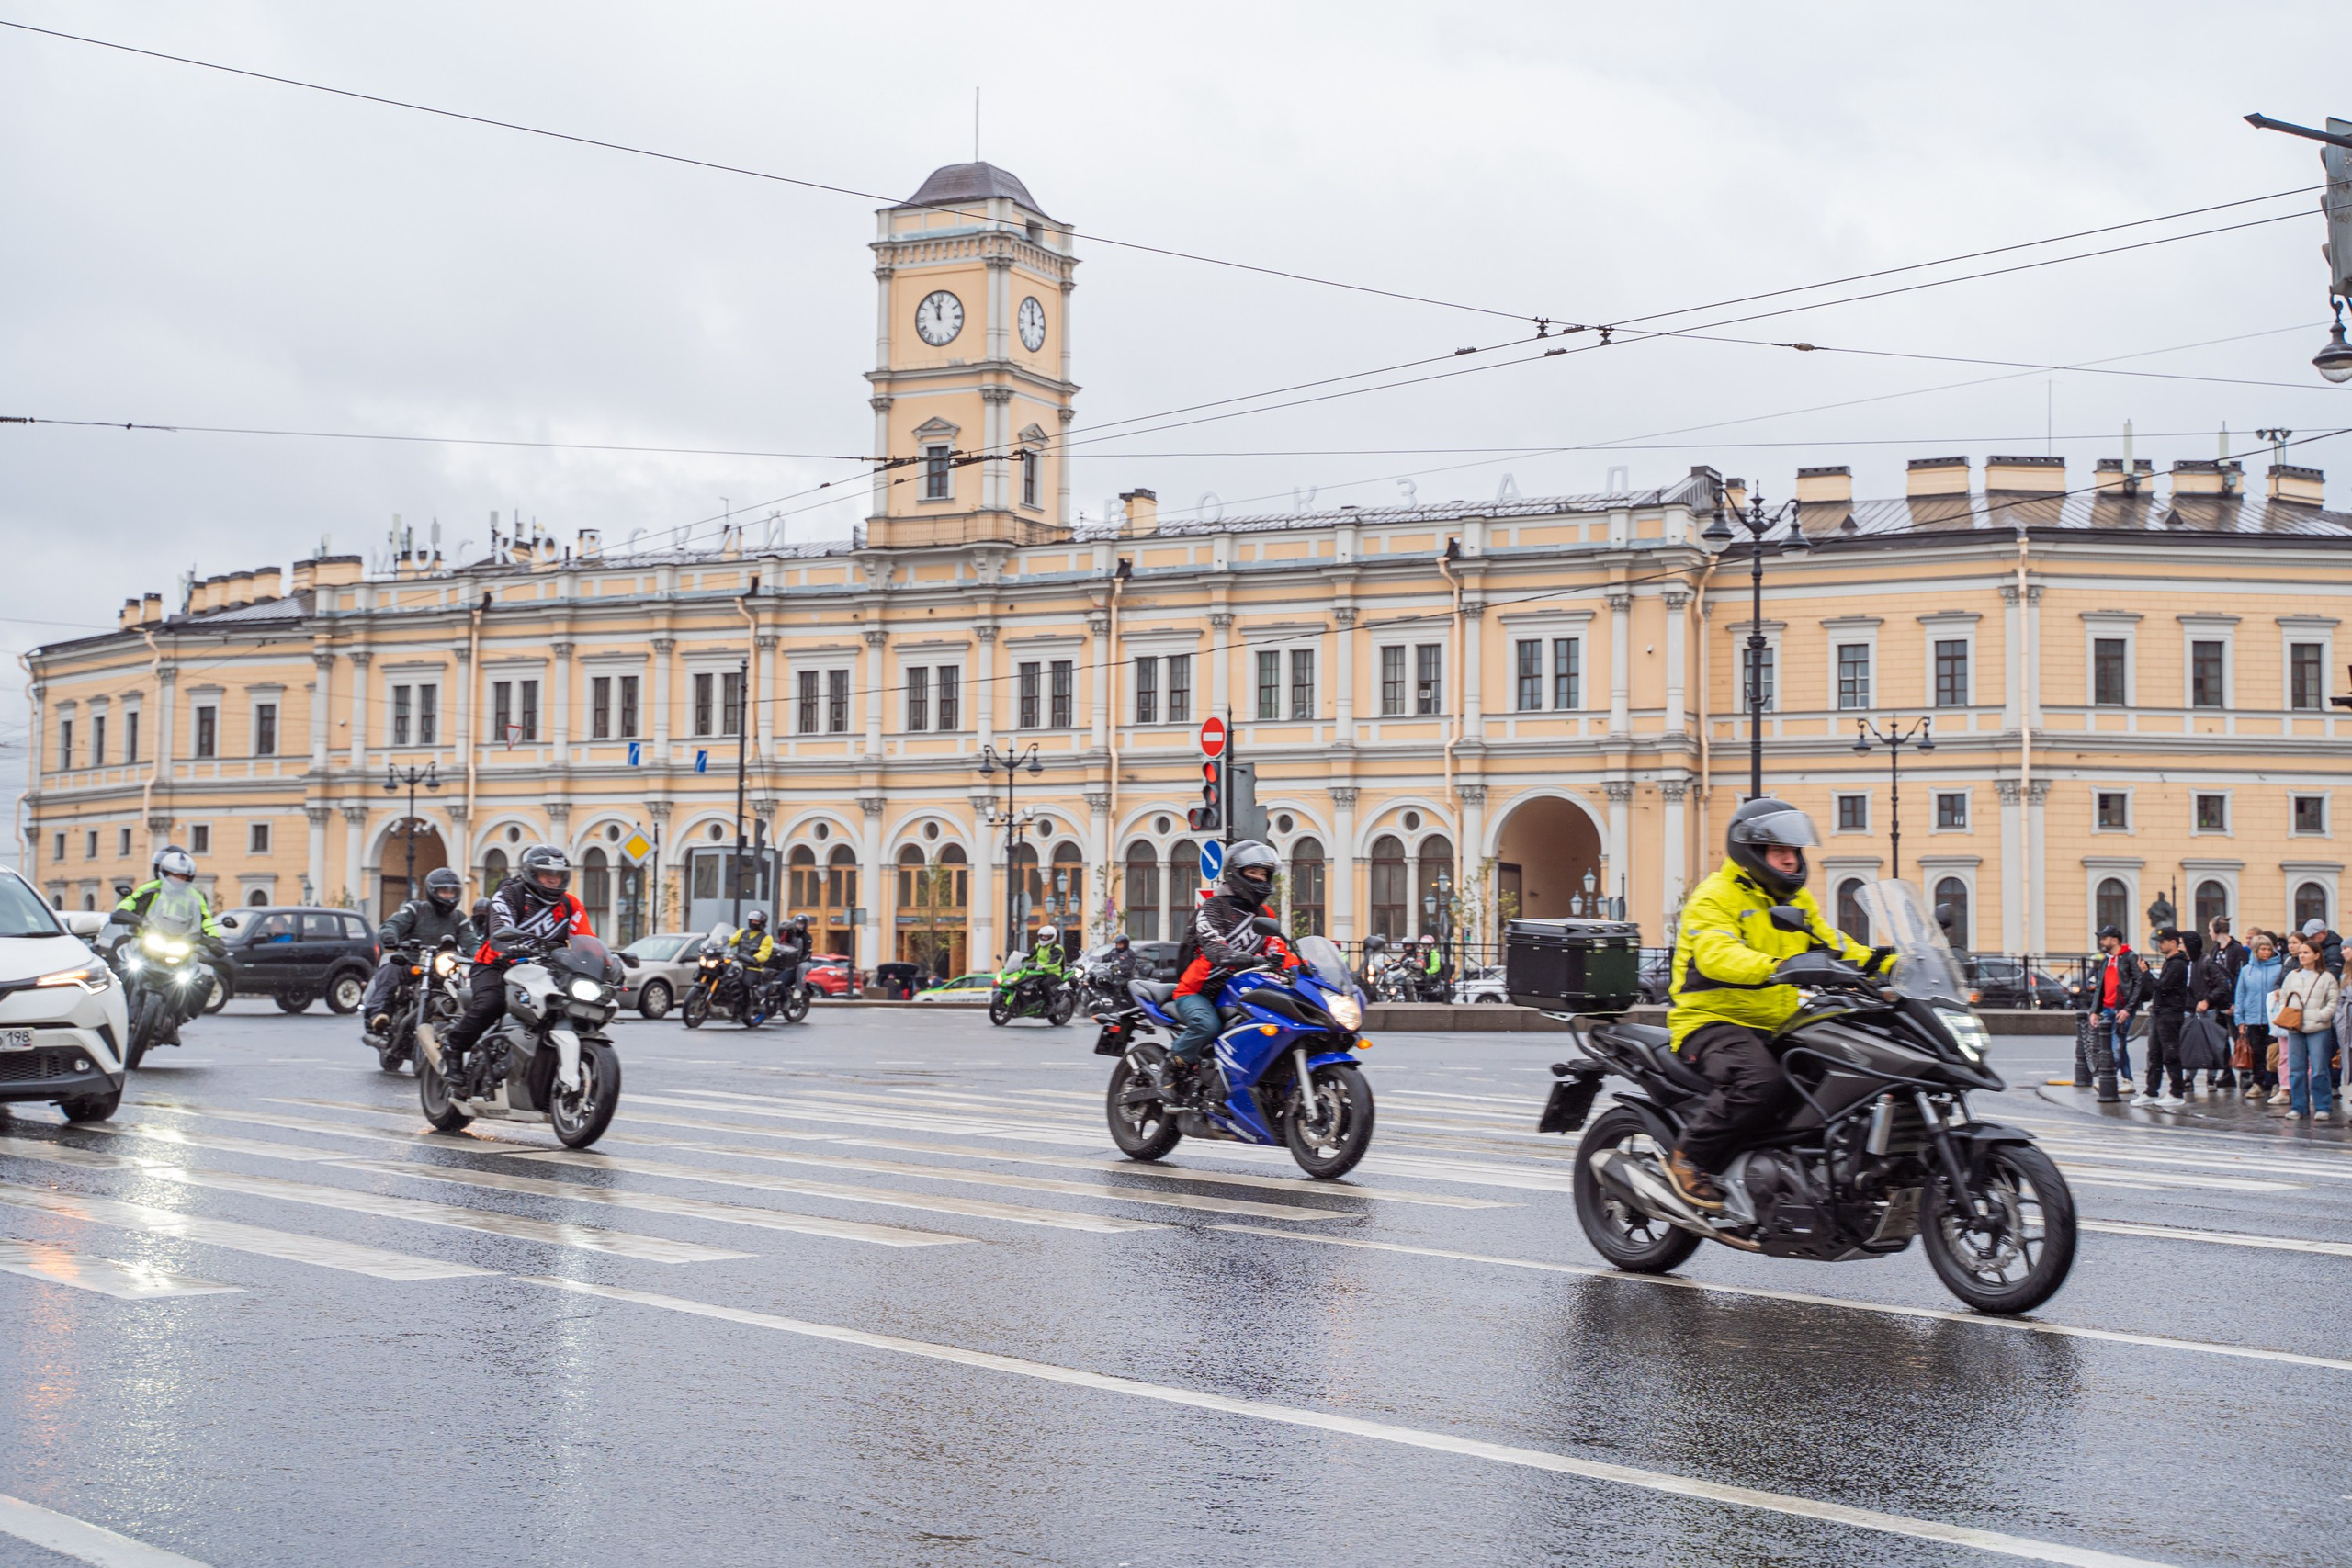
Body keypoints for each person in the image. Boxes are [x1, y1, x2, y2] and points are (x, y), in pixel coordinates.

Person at [1663, 797, 1887, 1212]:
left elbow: (1835, 944)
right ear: (1752, 852)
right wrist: (1777, 966)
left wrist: (1889, 964)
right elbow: (1716, 953)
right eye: (1779, 852)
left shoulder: (1798, 903)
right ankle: (1688, 1157)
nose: (1789, 860)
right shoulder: (1715, 896)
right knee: (1761, 1082)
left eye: (1794, 852)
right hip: (1711, 1020)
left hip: (1779, 1022)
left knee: (1847, 1072)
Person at [439, 846, 591, 1079]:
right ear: (531, 873)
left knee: (572, 1005)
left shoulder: (571, 904)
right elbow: (499, 927)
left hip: (547, 969)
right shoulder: (511, 895)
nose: (553, 880)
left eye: (558, 875)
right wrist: (508, 948)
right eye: (546, 874)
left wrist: (600, 961)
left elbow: (586, 940)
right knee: (492, 1003)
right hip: (497, 965)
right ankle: (454, 1048)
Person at [1162, 840, 1293, 1105]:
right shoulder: (1213, 908)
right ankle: (1171, 1069)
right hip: (1199, 991)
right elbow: (1211, 942)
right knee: (1207, 1025)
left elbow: (1279, 948)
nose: (1260, 879)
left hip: (1241, 991)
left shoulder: (1264, 913)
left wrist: (1300, 968)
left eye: (1264, 874)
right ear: (1236, 872)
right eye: (1253, 872)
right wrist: (1230, 956)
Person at [108, 846, 225, 1044]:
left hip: (179, 945)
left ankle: (176, 1020)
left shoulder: (195, 897)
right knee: (121, 965)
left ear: (190, 878)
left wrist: (215, 938)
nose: (177, 880)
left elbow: (205, 919)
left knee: (197, 979)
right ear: (163, 873)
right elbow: (129, 903)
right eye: (173, 875)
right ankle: (114, 1007)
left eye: (182, 876)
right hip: (148, 941)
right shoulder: (151, 888)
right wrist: (125, 914)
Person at [364, 866, 475, 1035]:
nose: (448, 896)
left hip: (442, 970)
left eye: (452, 892)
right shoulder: (416, 909)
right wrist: (390, 935)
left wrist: (480, 954)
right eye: (444, 891)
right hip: (412, 962)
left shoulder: (459, 918)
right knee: (391, 971)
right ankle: (380, 1013)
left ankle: (459, 1026)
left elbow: (471, 941)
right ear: (432, 891)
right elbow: (394, 923)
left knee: (463, 988)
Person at [2276, 934, 2341, 1121]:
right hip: (2295, 1027)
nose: (2302, 955)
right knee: (2296, 1068)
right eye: (2301, 952)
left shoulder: (2326, 977)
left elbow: (2332, 1001)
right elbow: (2283, 997)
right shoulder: (2292, 976)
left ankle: (2323, 1106)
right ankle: (2299, 1106)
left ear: (2316, 955)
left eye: (2306, 952)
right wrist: (2286, 1013)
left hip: (2318, 1028)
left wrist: (2321, 1016)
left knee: (2320, 1068)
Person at [2083, 925, 2149, 1091]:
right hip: (2107, 1008)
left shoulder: (2129, 957)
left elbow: (2139, 983)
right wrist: (2094, 1011)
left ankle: (2118, 1079)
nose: (2101, 941)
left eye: (2104, 938)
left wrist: (2128, 1009)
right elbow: (2100, 987)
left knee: (2117, 1045)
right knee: (2113, 1046)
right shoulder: (2106, 960)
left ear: (2114, 940)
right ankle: (2119, 1079)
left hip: (2122, 1009)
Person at [2135, 929, 2190, 1110]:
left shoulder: (2178, 965)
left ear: (2173, 942)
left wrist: (2146, 973)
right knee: (2155, 1054)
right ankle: (2151, 1090)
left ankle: (2176, 1091)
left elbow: (2162, 987)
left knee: (2170, 1054)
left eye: (2163, 941)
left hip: (2170, 1014)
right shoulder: (2171, 963)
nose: (2159, 944)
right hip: (2161, 1013)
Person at [2198, 917, 2246, 1091]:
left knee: (2239, 1039)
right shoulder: (2214, 951)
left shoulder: (2237, 950)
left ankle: (2245, 1073)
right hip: (2218, 1004)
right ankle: (2227, 1073)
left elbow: (2241, 978)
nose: (2209, 932)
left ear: (2218, 929)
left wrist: (2236, 1003)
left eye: (2211, 929)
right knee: (2220, 1040)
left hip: (2232, 1004)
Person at [2233, 932, 2283, 1101]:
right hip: (2253, 1018)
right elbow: (2240, 995)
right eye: (2263, 949)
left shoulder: (2279, 968)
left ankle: (2276, 1083)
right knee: (2256, 1052)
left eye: (2269, 949)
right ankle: (2258, 1083)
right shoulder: (2247, 970)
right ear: (2255, 950)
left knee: (2274, 1053)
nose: (2266, 952)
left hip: (2273, 1019)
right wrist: (2240, 1020)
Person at [729, 908, 781, 1019]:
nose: (754, 923)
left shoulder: (766, 938)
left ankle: (747, 1007)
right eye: (752, 921)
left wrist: (755, 959)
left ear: (762, 923)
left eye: (757, 921)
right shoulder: (742, 932)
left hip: (753, 968)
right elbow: (731, 941)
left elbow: (764, 953)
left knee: (745, 983)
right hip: (738, 964)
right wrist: (718, 944)